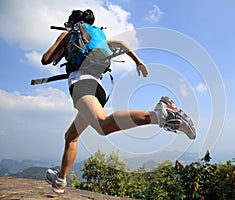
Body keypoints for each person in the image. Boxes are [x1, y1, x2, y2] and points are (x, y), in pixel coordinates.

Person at [42, 9, 196, 194]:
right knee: (71, 136)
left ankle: (160, 115)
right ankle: (60, 180)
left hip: (82, 85)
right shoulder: (97, 38)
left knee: (102, 126)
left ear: (73, 21)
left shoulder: (68, 34)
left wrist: (62, 42)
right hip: (98, 88)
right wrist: (138, 61)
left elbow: (45, 59)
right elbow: (122, 44)